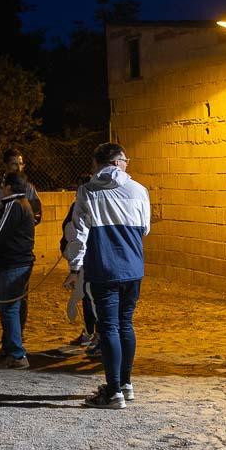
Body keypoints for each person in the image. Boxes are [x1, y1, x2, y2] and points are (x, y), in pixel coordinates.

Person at [63, 143, 151, 409]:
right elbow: (145, 228)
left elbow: (78, 234)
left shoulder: (88, 191)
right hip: (133, 268)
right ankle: (125, 384)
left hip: (103, 268)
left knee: (109, 327)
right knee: (126, 324)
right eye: (125, 160)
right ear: (115, 162)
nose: (127, 164)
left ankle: (113, 392)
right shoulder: (139, 190)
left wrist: (74, 267)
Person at [0, 148, 42, 345]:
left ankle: (16, 336)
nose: (19, 167)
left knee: (18, 296)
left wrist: (13, 229)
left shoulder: (28, 189)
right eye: (15, 164)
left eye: (21, 163)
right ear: (6, 165)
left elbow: (36, 215)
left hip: (15, 252)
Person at [0, 172, 36, 369]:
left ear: (9, 187)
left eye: (3, 186)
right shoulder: (23, 204)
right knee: (10, 307)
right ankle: (9, 349)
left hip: (13, 264)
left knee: (8, 307)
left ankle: (17, 354)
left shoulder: (13, 205)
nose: (1, 189)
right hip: (18, 262)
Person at [60, 174, 96, 350]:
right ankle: (89, 332)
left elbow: (78, 235)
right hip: (84, 259)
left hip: (87, 260)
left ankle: (93, 334)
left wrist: (74, 268)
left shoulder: (84, 207)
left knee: (90, 297)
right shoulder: (79, 206)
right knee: (87, 298)